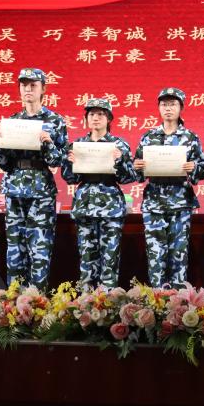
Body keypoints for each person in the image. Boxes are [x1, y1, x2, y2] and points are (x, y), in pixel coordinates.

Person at [0, 67, 68, 289]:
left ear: (43, 89)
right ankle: (14, 301)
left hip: (41, 189)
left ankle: (38, 302)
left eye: (33, 85)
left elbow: (58, 161)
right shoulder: (12, 121)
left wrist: (48, 143)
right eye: (24, 85)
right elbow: (4, 163)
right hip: (14, 188)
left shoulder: (55, 120)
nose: (28, 89)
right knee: (14, 248)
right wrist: (0, 144)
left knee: (40, 249)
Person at [134, 87, 204, 289]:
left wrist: (194, 168)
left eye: (173, 104)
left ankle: (178, 302)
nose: (168, 108)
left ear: (181, 107)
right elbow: (137, 172)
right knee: (155, 255)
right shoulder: (148, 136)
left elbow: (201, 170)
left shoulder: (190, 137)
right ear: (158, 108)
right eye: (164, 104)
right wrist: (137, 166)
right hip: (154, 203)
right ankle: (157, 300)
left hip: (181, 202)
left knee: (179, 254)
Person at [61, 98, 136, 289]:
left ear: (109, 119)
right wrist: (69, 162)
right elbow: (69, 178)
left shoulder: (119, 145)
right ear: (86, 118)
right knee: (86, 260)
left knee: (110, 260)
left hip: (111, 208)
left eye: (101, 114)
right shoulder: (77, 145)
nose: (96, 118)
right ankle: (87, 303)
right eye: (92, 114)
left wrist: (120, 160)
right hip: (85, 206)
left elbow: (129, 178)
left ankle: (108, 303)